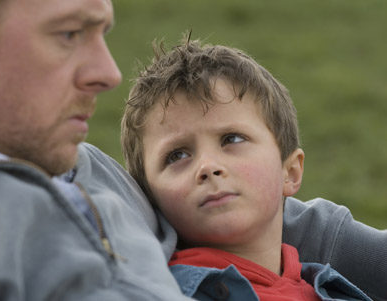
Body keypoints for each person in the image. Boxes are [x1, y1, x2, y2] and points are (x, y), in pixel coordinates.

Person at [0, 0, 384, 300]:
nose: (109, 72)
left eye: (231, 140)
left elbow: (286, 222)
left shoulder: (84, 167)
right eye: (69, 33)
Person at [121, 37, 384, 300]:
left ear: (290, 172)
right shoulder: (160, 293)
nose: (208, 166)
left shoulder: (329, 284)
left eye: (231, 139)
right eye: (177, 155)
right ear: (149, 199)